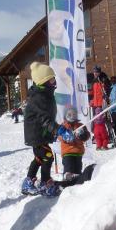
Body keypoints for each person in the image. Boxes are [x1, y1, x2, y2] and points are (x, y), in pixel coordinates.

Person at [22, 62, 74, 197]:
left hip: (39, 133)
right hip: (36, 134)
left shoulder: (44, 94)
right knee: (48, 156)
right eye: (51, 79)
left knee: (39, 158)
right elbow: (45, 119)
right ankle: (45, 183)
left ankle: (28, 182)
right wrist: (58, 130)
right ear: (44, 81)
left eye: (54, 78)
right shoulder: (40, 97)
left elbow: (47, 118)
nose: (54, 81)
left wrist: (54, 130)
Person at [58, 105, 90, 178]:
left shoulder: (80, 125)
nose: (72, 116)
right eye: (69, 114)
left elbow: (87, 135)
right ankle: (67, 176)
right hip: (67, 152)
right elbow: (59, 135)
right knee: (69, 166)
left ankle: (77, 179)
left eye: (74, 114)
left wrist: (83, 135)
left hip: (78, 152)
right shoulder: (63, 126)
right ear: (65, 115)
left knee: (78, 168)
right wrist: (65, 137)